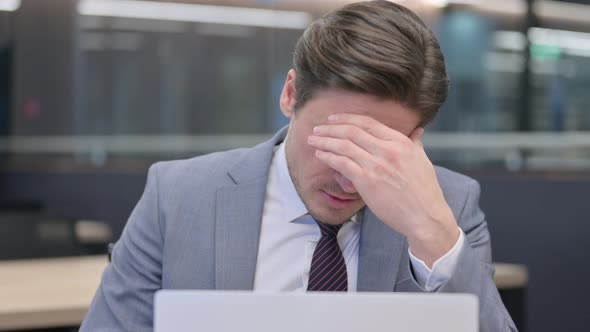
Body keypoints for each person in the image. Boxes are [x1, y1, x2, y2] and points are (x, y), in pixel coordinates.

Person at [81, 1, 517, 331]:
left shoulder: (450, 205)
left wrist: (431, 233)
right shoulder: (177, 196)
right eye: (336, 140)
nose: (350, 177)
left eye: (378, 149)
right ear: (290, 95)